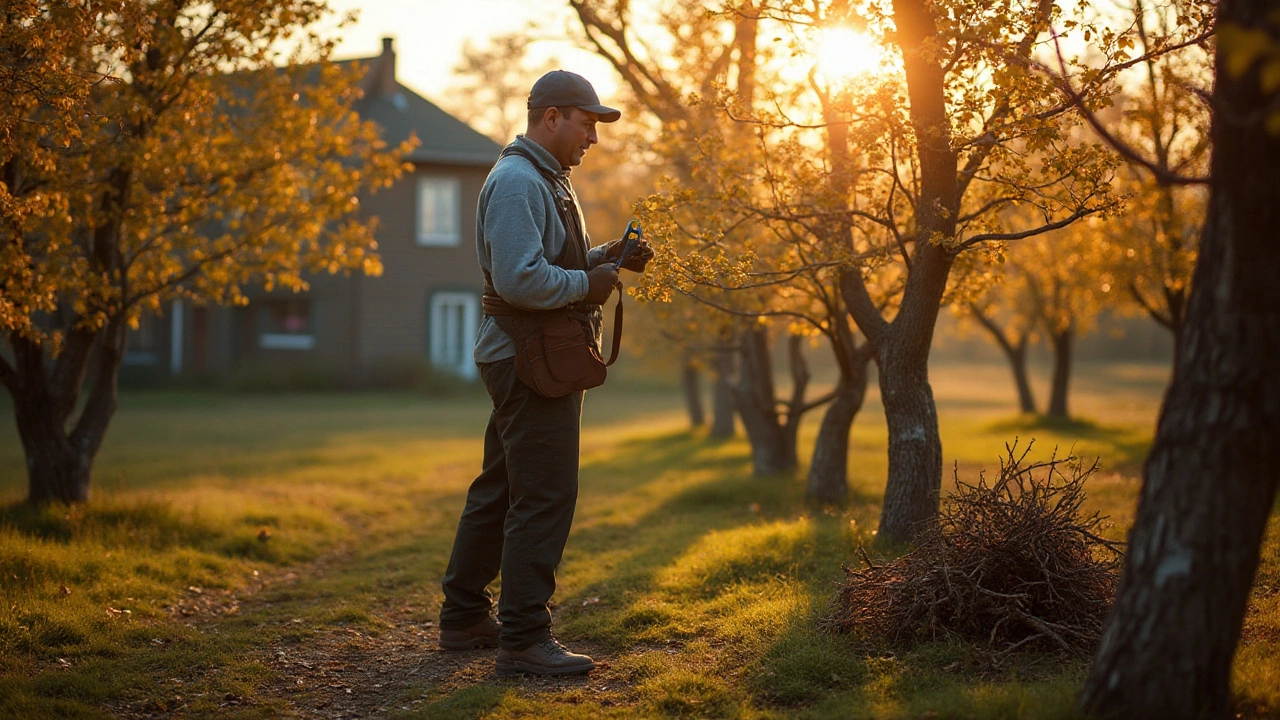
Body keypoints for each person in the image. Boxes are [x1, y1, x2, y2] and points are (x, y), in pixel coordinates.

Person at [437, 70, 653, 677]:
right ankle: (525, 641)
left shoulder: (544, 179)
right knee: (545, 495)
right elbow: (520, 279)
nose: (592, 137)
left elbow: (548, 262)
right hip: (529, 359)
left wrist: (608, 257)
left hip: (528, 355)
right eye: (587, 124)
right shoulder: (516, 181)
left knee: (501, 487)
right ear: (551, 117)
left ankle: (463, 618)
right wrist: (590, 283)